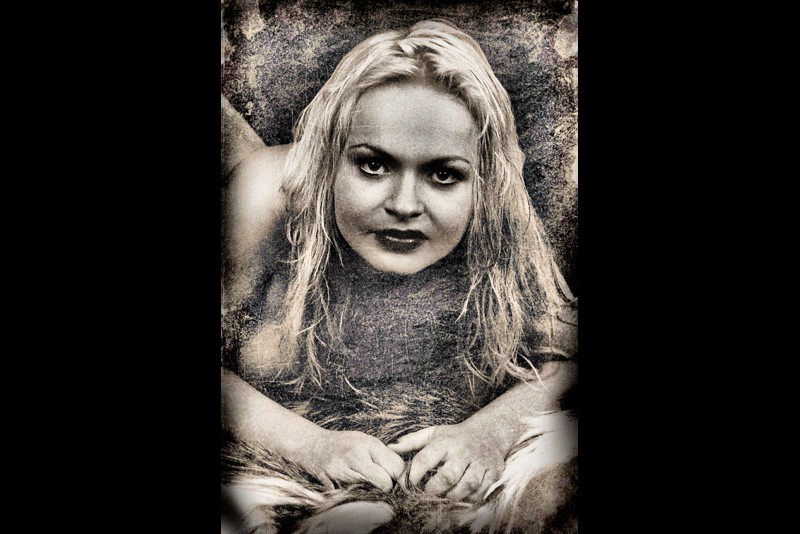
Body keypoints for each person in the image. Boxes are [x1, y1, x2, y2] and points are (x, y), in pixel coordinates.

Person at [221, 18, 578, 531]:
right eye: (373, 165)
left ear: (482, 180)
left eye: (443, 174)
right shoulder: (266, 200)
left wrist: (490, 432)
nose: (405, 205)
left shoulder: (496, 218)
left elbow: (566, 359)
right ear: (328, 157)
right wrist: (309, 445)